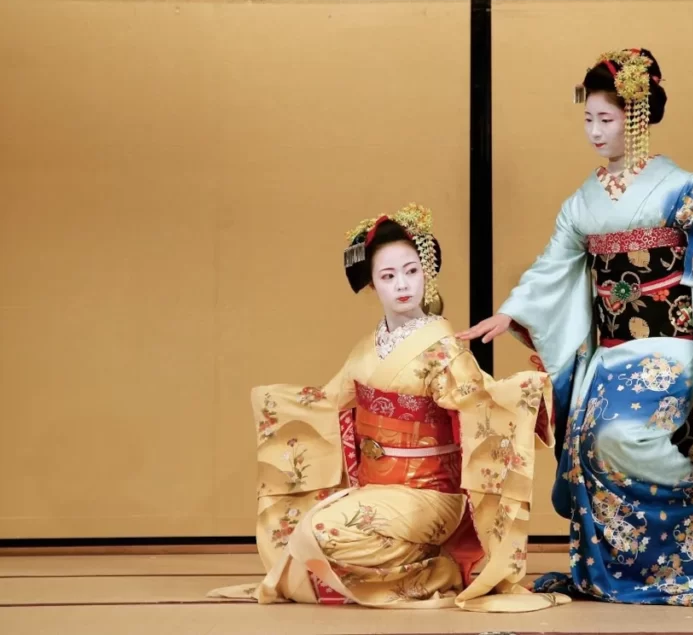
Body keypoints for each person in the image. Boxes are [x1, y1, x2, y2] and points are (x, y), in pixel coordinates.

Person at [459, 48, 693, 607]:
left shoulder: (677, 185)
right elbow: (553, 265)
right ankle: (621, 568)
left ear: (636, 119)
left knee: (622, 436)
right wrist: (511, 312)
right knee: (588, 447)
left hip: (673, 345)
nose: (594, 132)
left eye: (607, 119)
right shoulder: (581, 203)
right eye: (588, 119)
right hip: (612, 352)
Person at [210, 203, 567, 612]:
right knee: (299, 537)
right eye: (389, 275)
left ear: (426, 274)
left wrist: (529, 390)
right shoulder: (366, 349)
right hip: (379, 490)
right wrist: (272, 405)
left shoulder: (443, 350)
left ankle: (445, 571)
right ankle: (425, 566)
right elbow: (328, 405)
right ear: (372, 286)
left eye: (412, 271)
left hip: (431, 494)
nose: (403, 284)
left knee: (323, 532)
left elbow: (482, 406)